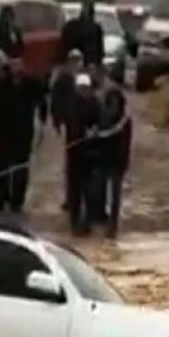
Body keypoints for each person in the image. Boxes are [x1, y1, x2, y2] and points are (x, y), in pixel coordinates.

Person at [0, 59, 47, 213]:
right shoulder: (1, 85)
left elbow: (43, 94)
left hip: (23, 131)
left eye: (19, 65)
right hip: (4, 131)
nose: (16, 69)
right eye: (13, 66)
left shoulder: (30, 85)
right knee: (2, 166)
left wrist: (42, 120)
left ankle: (17, 200)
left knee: (21, 167)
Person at [65, 72, 102, 236]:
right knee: (75, 190)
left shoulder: (95, 103)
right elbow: (72, 124)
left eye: (86, 88)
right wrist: (82, 133)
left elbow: (100, 121)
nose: (84, 91)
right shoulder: (72, 103)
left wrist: (95, 130)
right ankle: (74, 222)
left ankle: (87, 222)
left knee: (90, 190)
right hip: (74, 151)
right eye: (81, 88)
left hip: (91, 153)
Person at [95, 85, 132, 239]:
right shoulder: (102, 117)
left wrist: (123, 164)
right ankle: (101, 219)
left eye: (117, 102)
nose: (114, 105)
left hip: (118, 162)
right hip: (104, 160)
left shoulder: (125, 121)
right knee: (100, 192)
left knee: (115, 196)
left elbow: (125, 144)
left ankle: (113, 226)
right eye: (112, 102)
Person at [50, 49, 84, 210]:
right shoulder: (63, 78)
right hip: (71, 126)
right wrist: (57, 121)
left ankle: (80, 198)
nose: (77, 64)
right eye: (74, 60)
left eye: (79, 60)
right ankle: (71, 198)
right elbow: (55, 101)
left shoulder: (85, 78)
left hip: (86, 126)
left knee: (83, 165)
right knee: (72, 165)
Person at [60, 0, 105, 68]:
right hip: (78, 59)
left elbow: (99, 46)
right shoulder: (72, 25)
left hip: (89, 62)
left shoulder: (96, 28)